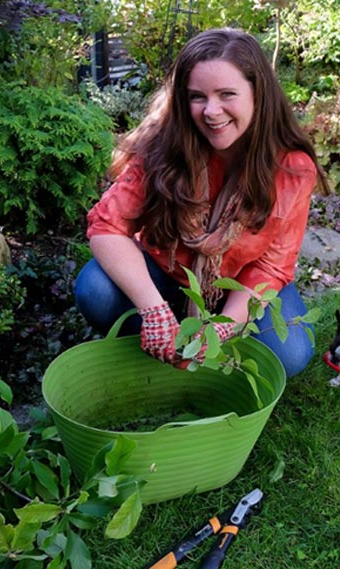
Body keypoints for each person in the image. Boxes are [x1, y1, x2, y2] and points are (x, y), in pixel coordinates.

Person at [74, 27, 330, 378]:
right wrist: (153, 311)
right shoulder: (164, 144)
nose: (211, 111)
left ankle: (205, 347)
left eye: (227, 94)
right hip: (166, 274)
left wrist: (225, 326)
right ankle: (163, 340)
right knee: (96, 290)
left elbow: (272, 267)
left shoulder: (291, 169)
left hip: (239, 285)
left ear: (259, 95)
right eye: (197, 96)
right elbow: (107, 227)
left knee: (292, 354)